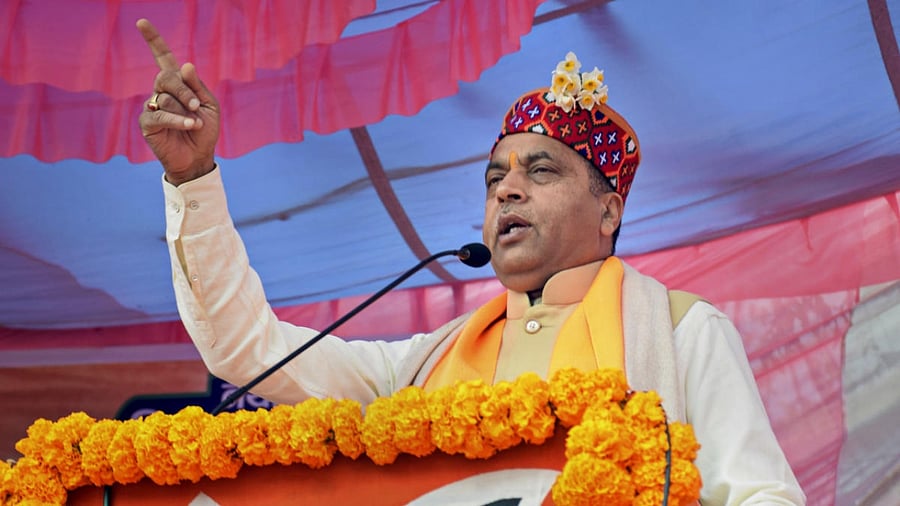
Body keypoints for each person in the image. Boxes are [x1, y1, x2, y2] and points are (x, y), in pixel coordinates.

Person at [137, 18, 805, 505]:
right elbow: (244, 348)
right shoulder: (421, 366)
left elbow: (763, 496)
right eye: (494, 180)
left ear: (609, 211)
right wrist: (193, 181)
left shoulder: (684, 333)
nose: (507, 190)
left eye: (540, 171)